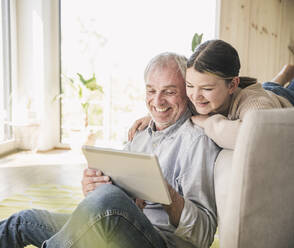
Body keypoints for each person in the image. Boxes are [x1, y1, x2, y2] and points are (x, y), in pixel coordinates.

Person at [0, 52, 221, 248]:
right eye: (151, 90)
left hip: (160, 240)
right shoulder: (141, 133)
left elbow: (203, 236)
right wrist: (94, 189)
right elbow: (113, 202)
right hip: (118, 231)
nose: (157, 101)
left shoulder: (197, 142)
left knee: (107, 199)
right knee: (22, 222)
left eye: (169, 92)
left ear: (187, 92)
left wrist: (167, 195)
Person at [128, 40, 294, 149]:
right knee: (268, 86)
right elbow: (173, 104)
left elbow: (254, 138)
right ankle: (285, 73)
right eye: (190, 85)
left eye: (207, 89)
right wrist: (154, 115)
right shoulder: (197, 98)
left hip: (284, 99)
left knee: (271, 89)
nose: (195, 96)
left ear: (232, 85)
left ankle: (285, 76)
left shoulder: (253, 102)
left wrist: (209, 122)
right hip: (262, 90)